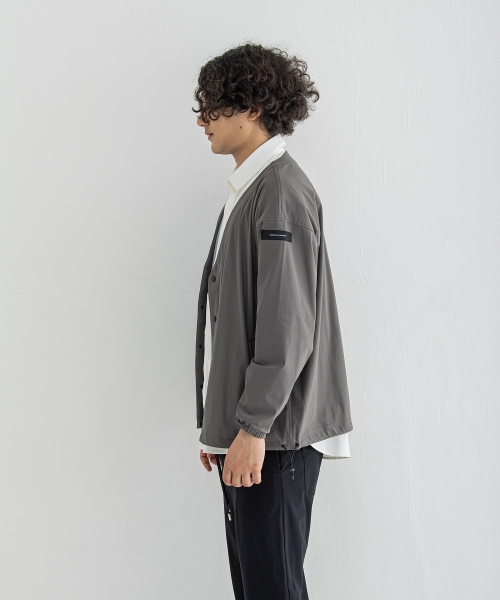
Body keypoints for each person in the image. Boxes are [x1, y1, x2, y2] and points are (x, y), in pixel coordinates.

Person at [193, 42, 353, 600]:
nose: (202, 120)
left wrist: (251, 428)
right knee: (258, 587)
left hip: (275, 438)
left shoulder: (279, 192)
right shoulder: (254, 188)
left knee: (272, 590)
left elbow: (287, 327)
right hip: (257, 434)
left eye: (213, 106)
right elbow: (240, 320)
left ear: (252, 107)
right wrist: (222, 426)